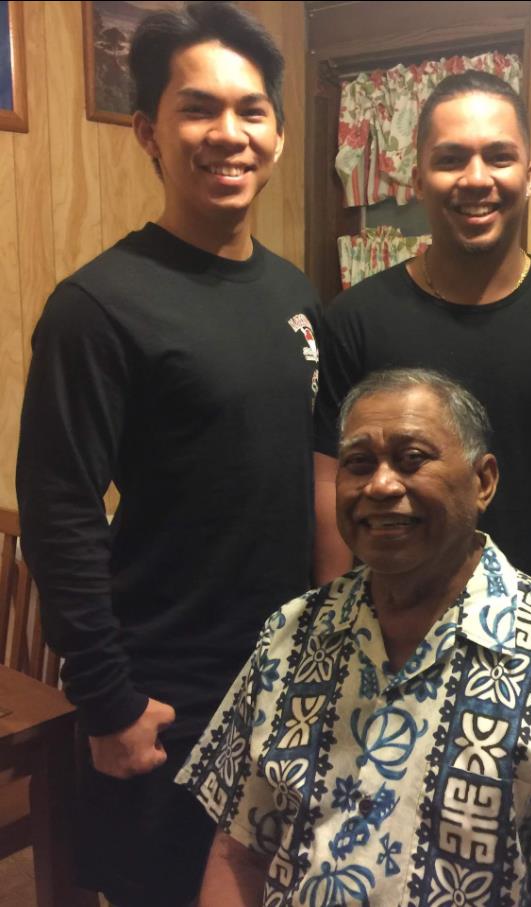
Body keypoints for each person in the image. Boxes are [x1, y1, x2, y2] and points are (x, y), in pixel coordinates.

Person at [178, 368, 531, 906]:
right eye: (359, 464)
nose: (380, 485)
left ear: (483, 481)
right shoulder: (292, 635)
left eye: (411, 459)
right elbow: (239, 851)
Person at [15, 4, 319, 904]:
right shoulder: (99, 306)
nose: (229, 133)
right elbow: (60, 508)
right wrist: (106, 698)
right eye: (198, 108)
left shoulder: (295, 293)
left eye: (251, 110)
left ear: (278, 132)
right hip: (168, 699)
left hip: (288, 682)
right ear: (147, 131)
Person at [313, 71, 531, 600]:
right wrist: (332, 617)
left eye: (499, 157)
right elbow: (331, 481)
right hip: (392, 619)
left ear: (529, 176)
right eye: (450, 159)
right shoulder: (356, 319)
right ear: (418, 179)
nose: (475, 178)